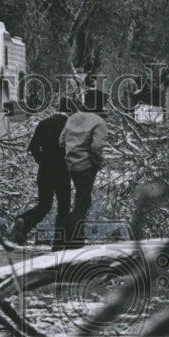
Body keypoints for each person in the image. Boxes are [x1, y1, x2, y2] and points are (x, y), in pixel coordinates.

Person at [9, 97, 75, 249]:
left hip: (45, 171)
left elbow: (32, 147)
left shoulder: (44, 123)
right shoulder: (70, 126)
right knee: (63, 207)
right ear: (70, 111)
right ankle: (58, 243)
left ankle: (25, 221)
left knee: (44, 205)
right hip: (62, 171)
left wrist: (43, 161)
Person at [58, 89, 108, 248]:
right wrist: (98, 162)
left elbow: (61, 141)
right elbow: (96, 147)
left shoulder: (72, 118)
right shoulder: (99, 122)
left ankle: (75, 238)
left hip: (71, 165)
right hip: (87, 166)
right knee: (83, 203)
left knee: (81, 199)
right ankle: (70, 236)